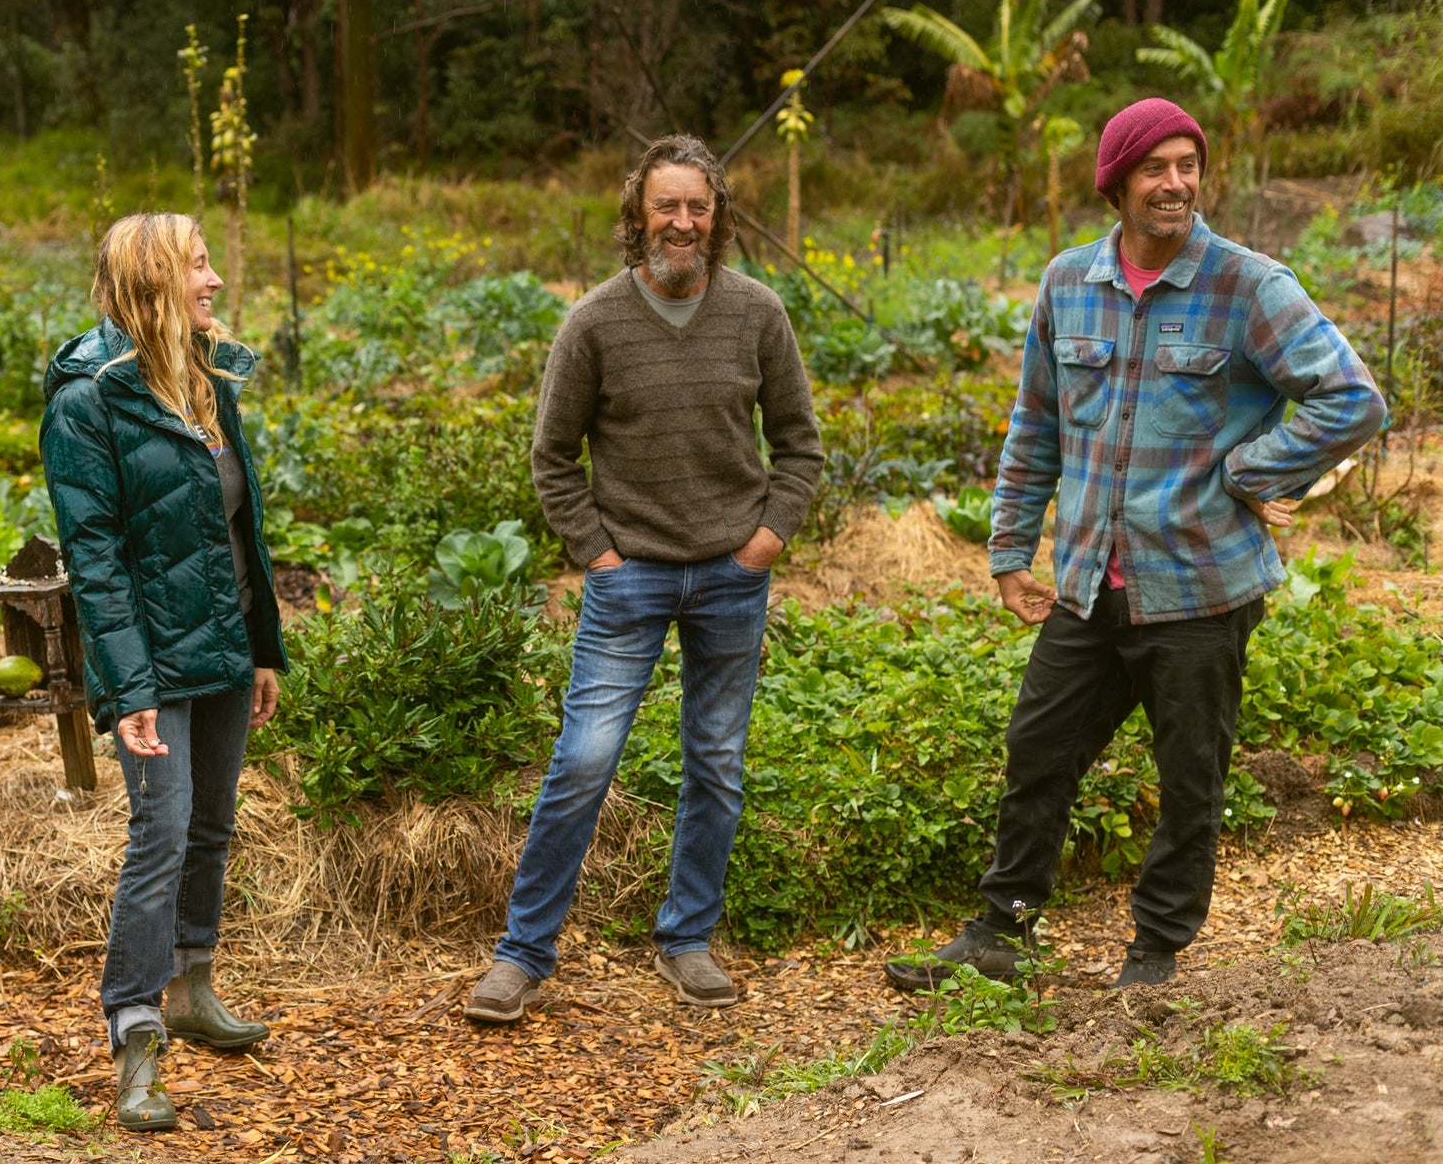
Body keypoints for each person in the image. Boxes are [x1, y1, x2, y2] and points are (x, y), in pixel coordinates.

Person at [884, 98, 1385, 994]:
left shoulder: (1248, 285)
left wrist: (1251, 471)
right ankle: (1003, 932)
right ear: (1115, 183)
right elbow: (1036, 422)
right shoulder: (1068, 282)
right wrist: (1009, 549)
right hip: (1086, 578)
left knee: (1190, 776)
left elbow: (1353, 399)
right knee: (1039, 751)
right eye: (1155, 167)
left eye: (1188, 164)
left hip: (1199, 585)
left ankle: (1157, 951)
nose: (1176, 183)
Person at [464, 134, 825, 1023]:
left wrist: (767, 540)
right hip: (630, 581)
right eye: (665, 205)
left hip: (732, 577)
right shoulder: (593, 322)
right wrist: (598, 554)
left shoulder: (757, 313)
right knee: (584, 761)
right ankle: (522, 955)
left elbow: (800, 443)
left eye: (697, 206)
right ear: (636, 217)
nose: (682, 222)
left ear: (718, 216)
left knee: (717, 763)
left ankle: (687, 939)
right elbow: (552, 458)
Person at [41, 212, 287, 1131]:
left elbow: (240, 526)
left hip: (220, 647)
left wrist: (261, 647)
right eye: (196, 266)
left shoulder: (206, 375)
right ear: (151, 282)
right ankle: (136, 1028)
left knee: (213, 825)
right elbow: (94, 560)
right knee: (164, 830)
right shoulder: (87, 400)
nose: (215, 280)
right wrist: (129, 689)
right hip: (149, 658)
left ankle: (192, 985)